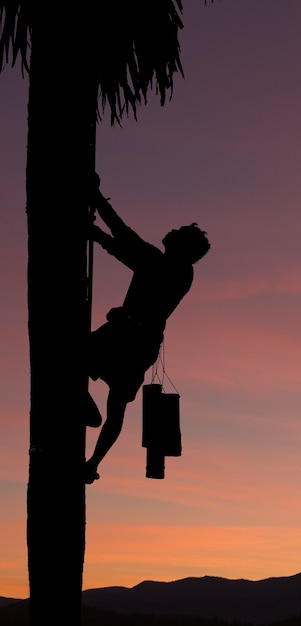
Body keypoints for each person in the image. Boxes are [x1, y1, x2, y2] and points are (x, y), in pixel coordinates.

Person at [84, 179, 210, 484]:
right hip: (140, 343)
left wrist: (96, 200)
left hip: (128, 337)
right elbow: (122, 242)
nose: (172, 231)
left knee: (78, 355)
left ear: (182, 247)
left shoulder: (166, 265)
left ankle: (86, 419)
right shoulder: (176, 268)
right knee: (116, 406)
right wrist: (97, 223)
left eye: (178, 233)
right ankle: (92, 463)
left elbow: (122, 237)